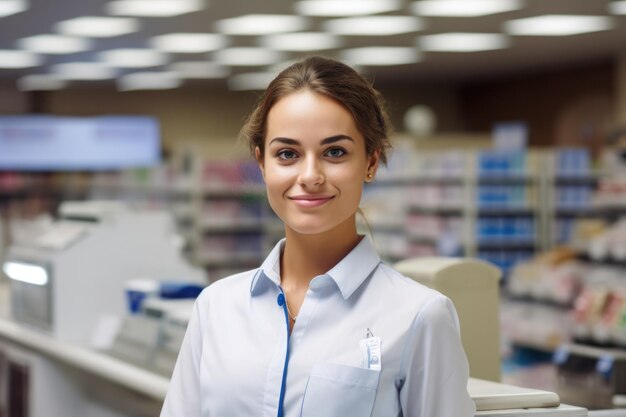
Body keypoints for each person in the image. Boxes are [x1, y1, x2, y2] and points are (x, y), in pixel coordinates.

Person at [160, 56, 475, 417]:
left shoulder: (419, 317)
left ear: (371, 162)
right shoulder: (216, 308)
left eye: (335, 152)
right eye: (288, 154)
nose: (310, 175)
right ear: (262, 163)